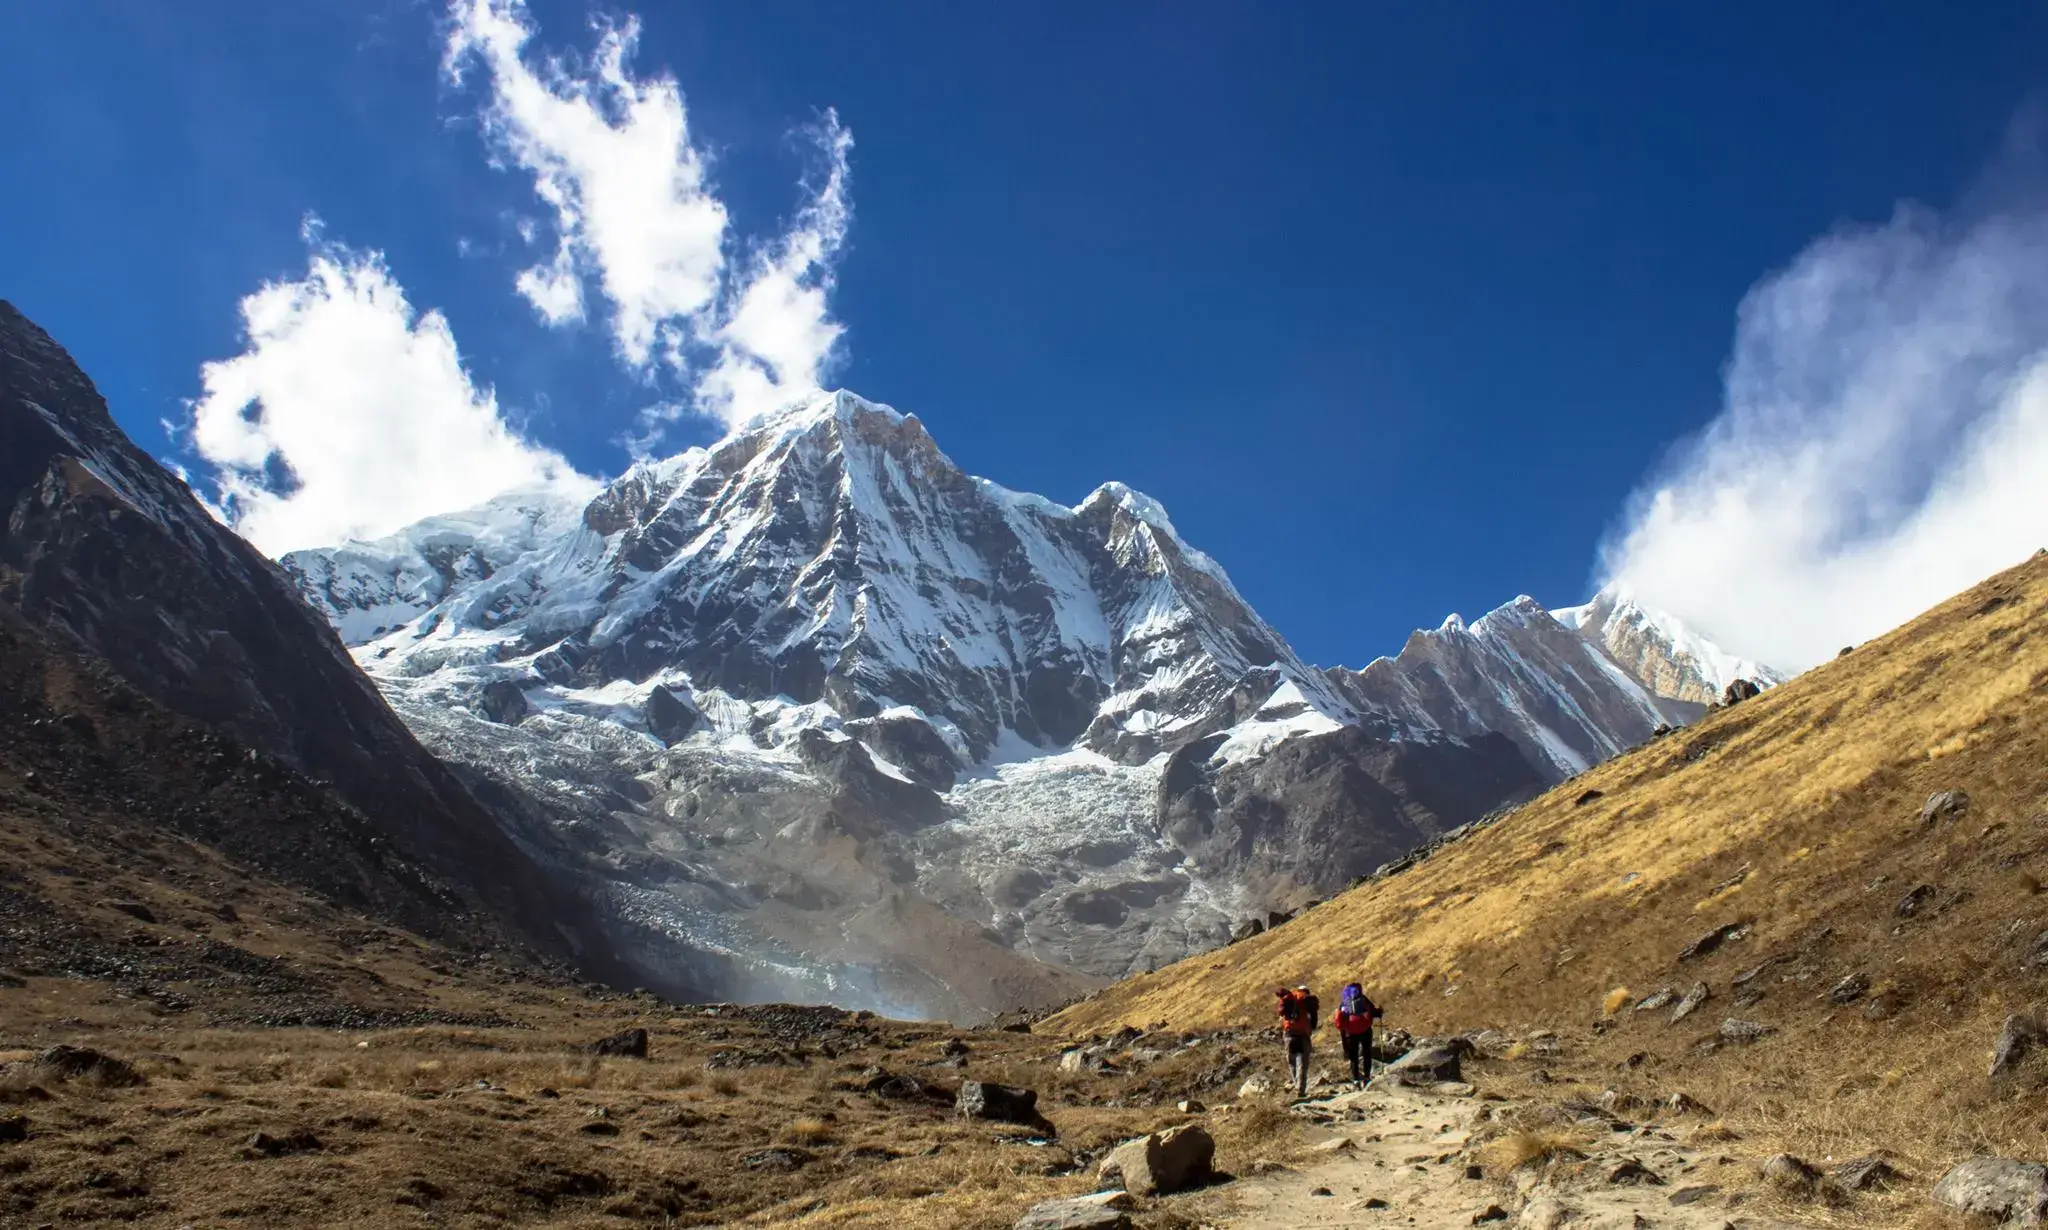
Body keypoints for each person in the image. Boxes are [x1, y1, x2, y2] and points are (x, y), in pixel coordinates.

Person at [1276, 983, 1320, 1098]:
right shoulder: (1307, 1001)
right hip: (1303, 1034)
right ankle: (1300, 1088)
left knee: (1292, 1061)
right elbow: (1314, 1019)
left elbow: (1281, 1014)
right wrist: (1311, 1028)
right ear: (1306, 991)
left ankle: (1296, 1085)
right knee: (1303, 1062)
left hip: (1289, 1033)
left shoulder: (1289, 999)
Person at [1336, 982, 1381, 1085]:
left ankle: (1355, 1078)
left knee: (1353, 1056)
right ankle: (1366, 1076)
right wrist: (1379, 1012)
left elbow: (1340, 1018)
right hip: (1365, 1030)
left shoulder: (1345, 1002)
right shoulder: (1363, 999)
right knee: (1367, 1053)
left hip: (1350, 1032)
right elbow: (1372, 1011)